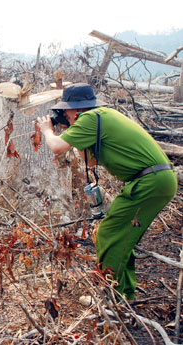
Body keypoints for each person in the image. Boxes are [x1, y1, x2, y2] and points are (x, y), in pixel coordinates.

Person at [35, 83, 177, 301]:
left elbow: (56, 146)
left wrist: (47, 130)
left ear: (78, 109)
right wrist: (74, 135)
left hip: (150, 182)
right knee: (121, 236)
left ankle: (113, 297)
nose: (64, 114)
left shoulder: (90, 118)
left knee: (109, 233)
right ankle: (124, 294)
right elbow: (89, 161)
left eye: (66, 110)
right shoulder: (101, 117)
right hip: (156, 180)